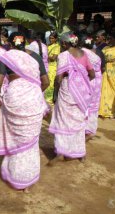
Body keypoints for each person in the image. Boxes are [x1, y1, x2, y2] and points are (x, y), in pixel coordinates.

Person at [0, 32, 49, 191]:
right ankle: (27, 179)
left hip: (14, 100)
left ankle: (14, 173)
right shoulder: (36, 57)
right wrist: (34, 92)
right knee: (31, 140)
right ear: (25, 43)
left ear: (10, 44)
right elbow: (46, 82)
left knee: (14, 136)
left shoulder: (7, 56)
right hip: (33, 100)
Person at [49, 33, 95, 164]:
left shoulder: (63, 56)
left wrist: (56, 94)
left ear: (64, 43)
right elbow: (92, 74)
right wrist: (81, 81)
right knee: (79, 121)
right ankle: (80, 153)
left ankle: (61, 152)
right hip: (81, 92)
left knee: (63, 120)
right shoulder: (84, 54)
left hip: (67, 90)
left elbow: (58, 78)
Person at [81, 36, 103, 138]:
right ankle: (90, 128)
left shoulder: (81, 52)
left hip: (87, 78)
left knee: (83, 102)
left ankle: (82, 127)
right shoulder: (96, 54)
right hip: (97, 80)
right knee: (93, 103)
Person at [99, 32, 115, 119]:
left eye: (111, 39)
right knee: (102, 90)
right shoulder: (106, 47)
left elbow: (107, 57)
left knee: (112, 93)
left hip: (114, 75)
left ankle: (110, 112)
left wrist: (103, 58)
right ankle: (101, 111)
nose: (109, 40)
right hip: (104, 73)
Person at [45, 32, 61, 103]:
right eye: (50, 38)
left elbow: (53, 58)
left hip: (52, 67)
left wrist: (45, 56)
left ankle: (50, 100)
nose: (51, 39)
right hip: (46, 66)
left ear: (56, 39)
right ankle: (45, 99)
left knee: (51, 83)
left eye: (52, 38)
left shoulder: (57, 47)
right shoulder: (47, 45)